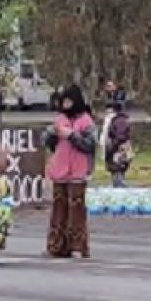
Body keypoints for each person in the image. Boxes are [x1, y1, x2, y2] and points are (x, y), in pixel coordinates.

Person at [43, 85, 96, 259]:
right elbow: (48, 142)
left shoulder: (86, 121)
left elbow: (90, 145)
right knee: (59, 209)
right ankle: (57, 245)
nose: (65, 104)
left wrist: (72, 135)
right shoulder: (59, 119)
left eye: (69, 101)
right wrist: (52, 134)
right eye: (63, 101)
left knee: (77, 210)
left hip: (78, 172)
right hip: (60, 170)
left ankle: (78, 245)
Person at [105, 102, 132, 188]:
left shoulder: (119, 120)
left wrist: (112, 146)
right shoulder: (119, 120)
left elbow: (120, 136)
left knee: (117, 167)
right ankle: (117, 184)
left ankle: (119, 186)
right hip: (119, 147)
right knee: (117, 168)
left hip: (118, 149)